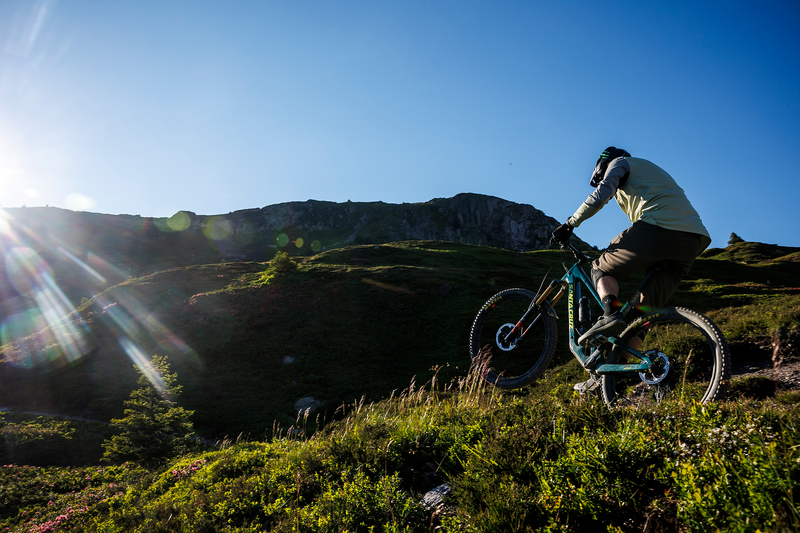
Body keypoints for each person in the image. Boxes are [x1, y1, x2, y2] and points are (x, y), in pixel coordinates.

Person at [550, 147, 712, 391]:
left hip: (661, 227)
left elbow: (601, 194)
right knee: (637, 318)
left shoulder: (622, 163)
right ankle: (629, 377)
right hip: (691, 243)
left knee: (600, 269)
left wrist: (570, 224)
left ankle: (609, 314)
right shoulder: (649, 172)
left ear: (603, 165)